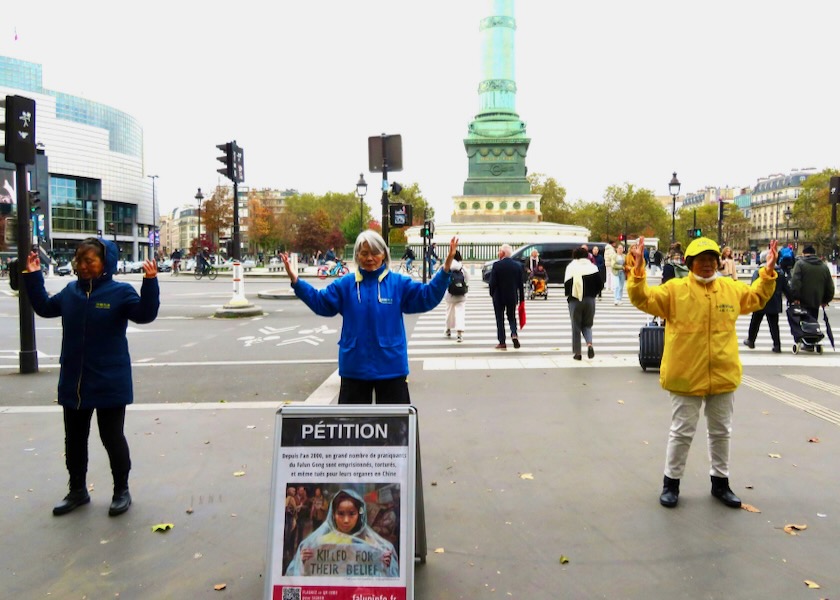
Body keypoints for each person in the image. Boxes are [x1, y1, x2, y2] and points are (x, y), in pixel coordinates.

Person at [627, 236, 778, 509]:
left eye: (711, 260)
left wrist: (767, 273)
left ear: (718, 262)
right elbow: (643, 299)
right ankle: (671, 483)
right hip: (685, 374)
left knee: (721, 431)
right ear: (690, 264)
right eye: (701, 261)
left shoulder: (730, 289)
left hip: (723, 372)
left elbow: (756, 298)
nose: (707, 265)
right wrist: (637, 270)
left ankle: (721, 482)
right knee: (682, 432)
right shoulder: (674, 291)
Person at [21, 237, 160, 517]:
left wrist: (150, 282)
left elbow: (145, 315)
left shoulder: (120, 293)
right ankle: (77, 490)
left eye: (89, 261)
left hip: (110, 379)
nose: (82, 266)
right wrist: (34, 275)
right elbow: (45, 308)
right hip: (75, 380)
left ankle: (122, 490)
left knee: (112, 437)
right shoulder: (71, 292)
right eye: (79, 260)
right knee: (74, 438)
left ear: (105, 263)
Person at [281, 230, 458, 404]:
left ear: (384, 255)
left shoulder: (398, 283)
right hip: (354, 368)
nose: (370, 258)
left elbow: (426, 297)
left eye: (375, 253)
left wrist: (445, 269)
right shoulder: (345, 284)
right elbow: (321, 303)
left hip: (391, 367)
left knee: (396, 429)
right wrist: (297, 282)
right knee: (352, 428)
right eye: (364, 253)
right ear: (357, 255)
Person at [286, 488, 399, 578]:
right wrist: (302, 562)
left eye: (351, 514)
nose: (346, 520)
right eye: (341, 513)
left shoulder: (373, 546)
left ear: (359, 515)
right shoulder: (318, 543)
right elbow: (298, 579)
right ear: (333, 515)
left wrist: (385, 565)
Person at [743, 249, 792, 353]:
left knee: (755, 322)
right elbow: (786, 288)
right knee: (774, 325)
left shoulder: (759, 272)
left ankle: (751, 340)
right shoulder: (780, 272)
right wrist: (792, 299)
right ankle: (777, 345)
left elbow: (753, 287)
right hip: (774, 301)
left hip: (760, 301)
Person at [564, 246, 604, 360]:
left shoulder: (571, 267)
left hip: (575, 300)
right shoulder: (593, 267)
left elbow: (567, 286)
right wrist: (593, 294)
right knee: (587, 325)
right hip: (590, 300)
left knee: (576, 326)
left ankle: (578, 353)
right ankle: (589, 344)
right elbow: (600, 285)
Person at [489, 243, 525, 350]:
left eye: (499, 251)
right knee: (511, 317)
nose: (498, 253)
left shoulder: (497, 265)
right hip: (512, 296)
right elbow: (520, 284)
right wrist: (521, 298)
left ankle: (502, 342)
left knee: (499, 319)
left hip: (499, 296)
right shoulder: (517, 266)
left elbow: (492, 283)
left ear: (503, 253)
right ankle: (514, 333)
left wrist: (492, 293)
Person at [790, 245, 834, 319]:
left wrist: (795, 297)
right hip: (816, 301)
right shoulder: (823, 266)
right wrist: (825, 300)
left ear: (804, 254)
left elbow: (795, 282)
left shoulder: (800, 264)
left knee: (802, 325)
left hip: (802, 302)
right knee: (813, 323)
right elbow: (829, 286)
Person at [444, 250, 468, 342]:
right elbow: (467, 278)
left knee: (449, 312)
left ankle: (448, 329)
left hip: (450, 293)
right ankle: (459, 333)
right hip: (461, 293)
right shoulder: (461, 267)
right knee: (460, 313)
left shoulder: (447, 267)